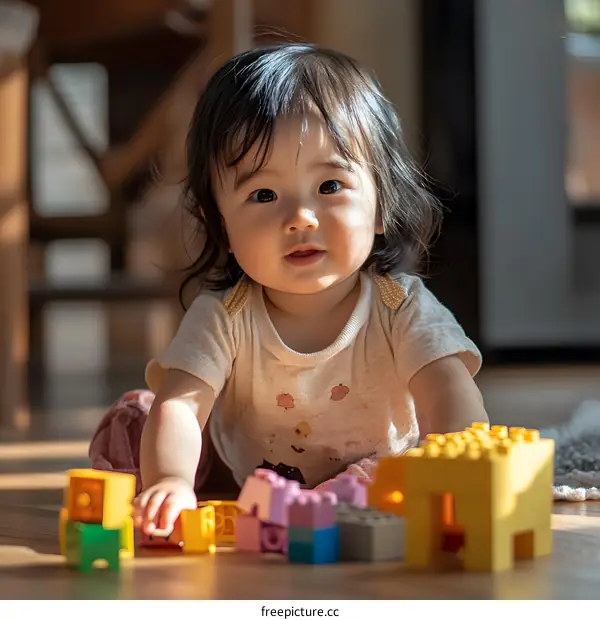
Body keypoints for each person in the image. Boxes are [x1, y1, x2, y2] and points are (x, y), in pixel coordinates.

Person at [90, 43, 488, 537]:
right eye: (263, 195)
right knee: (140, 419)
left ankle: (331, 500)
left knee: (398, 474)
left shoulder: (400, 308)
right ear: (223, 229)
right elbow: (182, 406)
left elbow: (448, 394)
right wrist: (171, 480)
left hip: (376, 478)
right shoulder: (224, 316)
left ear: (383, 206)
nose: (300, 217)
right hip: (253, 480)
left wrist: (463, 476)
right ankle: (159, 497)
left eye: (329, 187)